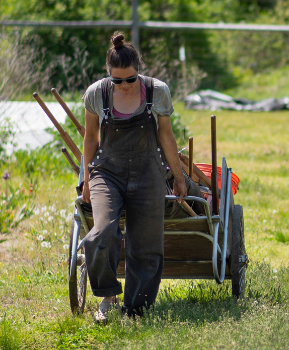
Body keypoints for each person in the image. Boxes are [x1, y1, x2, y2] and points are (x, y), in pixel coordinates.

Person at [82, 31, 186, 322]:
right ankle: (107, 296)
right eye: (118, 81)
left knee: (146, 245)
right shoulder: (96, 93)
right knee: (101, 232)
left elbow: (165, 136)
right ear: (108, 76)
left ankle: (136, 310)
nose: (124, 86)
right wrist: (87, 180)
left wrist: (177, 176)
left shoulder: (157, 91)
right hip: (107, 173)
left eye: (130, 79)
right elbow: (90, 140)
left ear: (139, 71)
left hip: (148, 171)